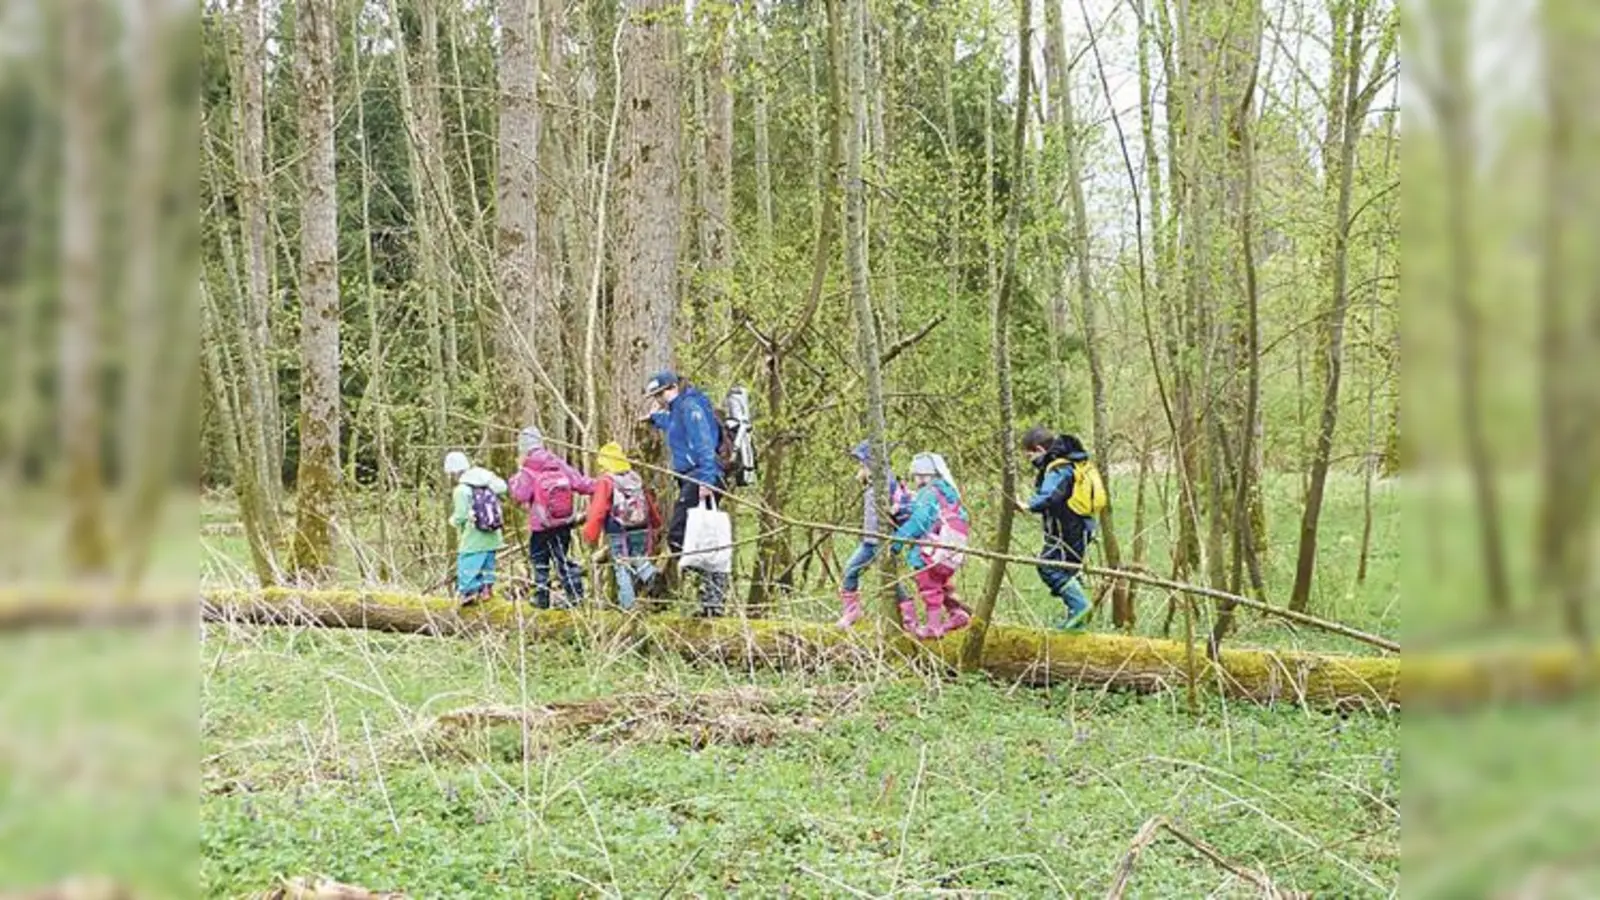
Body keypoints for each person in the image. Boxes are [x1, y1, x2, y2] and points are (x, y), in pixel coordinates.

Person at [642, 371, 729, 617]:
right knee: (696, 535)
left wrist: (706, 479)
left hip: (700, 476)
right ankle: (711, 600)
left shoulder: (691, 406)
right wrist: (655, 419)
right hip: (691, 477)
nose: (658, 399)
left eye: (659, 394)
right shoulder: (678, 410)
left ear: (671, 388)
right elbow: (674, 428)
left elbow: (703, 443)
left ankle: (713, 593)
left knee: (680, 533)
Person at [508, 426, 595, 609]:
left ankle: (542, 598)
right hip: (563, 522)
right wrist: (602, 484)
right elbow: (580, 483)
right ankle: (575, 596)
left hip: (541, 525)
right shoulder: (557, 462)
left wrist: (515, 478)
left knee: (540, 560)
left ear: (523, 447)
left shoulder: (528, 468)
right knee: (563, 558)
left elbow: (520, 495)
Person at [1017, 426, 1093, 631]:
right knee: (1067, 571)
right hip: (1080, 528)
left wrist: (1028, 505)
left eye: (1030, 455)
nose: (1030, 460)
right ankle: (1077, 625)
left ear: (1040, 449)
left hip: (1066, 530)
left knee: (1048, 567)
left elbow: (1051, 495)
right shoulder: (1072, 462)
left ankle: (1080, 608)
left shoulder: (1058, 468)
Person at [891, 452, 973, 639]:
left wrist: (897, 541)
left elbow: (919, 521)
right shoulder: (949, 494)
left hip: (930, 552)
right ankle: (957, 614)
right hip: (951, 553)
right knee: (941, 584)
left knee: (928, 586)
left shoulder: (928, 493)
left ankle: (933, 627)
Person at [836, 440, 913, 628]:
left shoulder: (886, 482)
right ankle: (852, 611)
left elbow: (902, 506)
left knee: (890, 579)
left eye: (863, 464)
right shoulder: (873, 484)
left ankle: (908, 617)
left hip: (881, 541)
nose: (860, 468)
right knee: (851, 571)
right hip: (870, 541)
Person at [580, 441, 663, 611]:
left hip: (618, 530)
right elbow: (648, 502)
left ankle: (628, 606)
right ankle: (651, 575)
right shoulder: (634, 478)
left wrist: (590, 533)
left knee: (621, 565)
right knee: (638, 557)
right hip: (641, 526)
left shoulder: (607, 482)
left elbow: (598, 509)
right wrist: (656, 522)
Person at [444, 450, 508, 606]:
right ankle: (487, 589)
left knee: (467, 560)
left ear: (452, 472)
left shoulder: (461, 490)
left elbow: (460, 515)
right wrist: (490, 477)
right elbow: (503, 487)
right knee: (488, 561)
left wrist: (452, 521)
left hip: (474, 534)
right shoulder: (487, 483)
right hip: (493, 533)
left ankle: (469, 592)